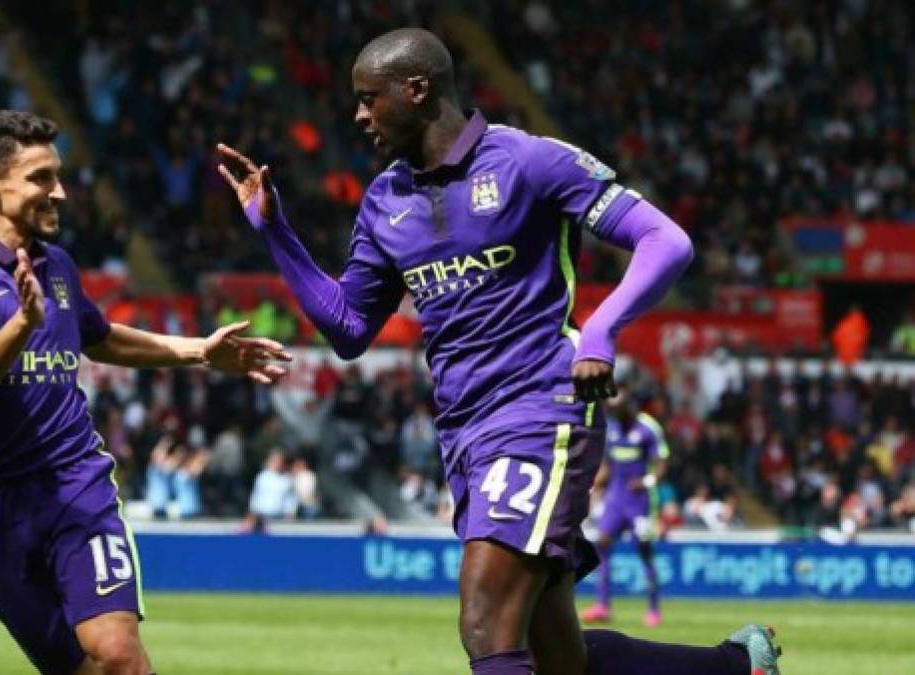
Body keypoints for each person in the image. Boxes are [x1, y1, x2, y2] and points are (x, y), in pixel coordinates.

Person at [218, 27, 780, 675]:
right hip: (463, 430)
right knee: (555, 659)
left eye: (370, 98)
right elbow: (348, 327)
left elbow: (666, 241)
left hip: (541, 407)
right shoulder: (384, 201)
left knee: (484, 618)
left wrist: (600, 330)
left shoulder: (530, 161)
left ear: (417, 89)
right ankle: (739, 666)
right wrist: (276, 231)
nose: (359, 115)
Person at [0, 110, 290, 675]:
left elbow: (100, 337)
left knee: (119, 657)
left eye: (58, 176)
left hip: (75, 485)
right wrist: (20, 324)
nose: (59, 192)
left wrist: (197, 352)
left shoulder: (57, 266)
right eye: (41, 177)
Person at [581, 392, 668, 627]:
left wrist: (647, 481)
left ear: (630, 407)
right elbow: (609, 466)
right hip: (615, 498)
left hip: (640, 501)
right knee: (603, 543)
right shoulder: (613, 429)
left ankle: (653, 609)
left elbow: (662, 464)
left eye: (619, 410)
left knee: (644, 550)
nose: (616, 414)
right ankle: (602, 605)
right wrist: (593, 485)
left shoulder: (648, 428)